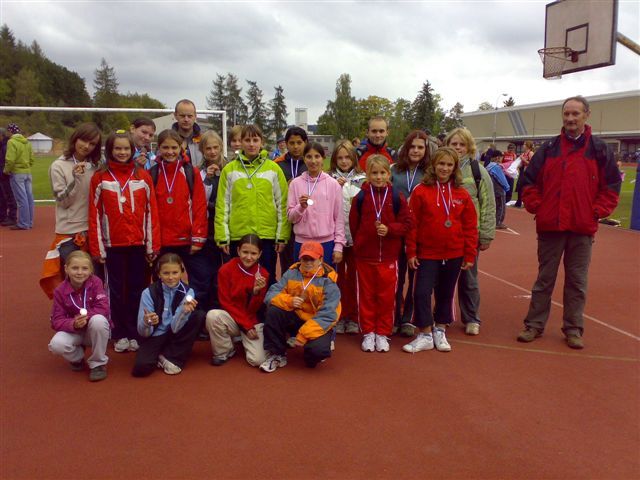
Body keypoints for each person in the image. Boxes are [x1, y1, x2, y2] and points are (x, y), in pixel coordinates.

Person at [517, 96, 620, 349]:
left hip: (582, 228)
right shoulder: (549, 148)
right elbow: (528, 182)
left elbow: (611, 186)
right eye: (567, 114)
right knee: (544, 279)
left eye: (576, 113)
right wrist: (539, 207)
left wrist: (596, 212)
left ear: (586, 115)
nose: (571, 118)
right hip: (551, 226)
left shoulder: (599, 149)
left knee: (577, 281)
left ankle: (573, 328)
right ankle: (534, 325)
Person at [88, 131, 160, 353]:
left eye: (126, 148)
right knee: (116, 291)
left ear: (133, 150)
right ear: (110, 150)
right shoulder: (100, 178)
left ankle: (135, 331)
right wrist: (98, 248)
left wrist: (152, 245)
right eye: (117, 148)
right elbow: (94, 215)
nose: (122, 152)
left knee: (138, 289)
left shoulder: (143, 176)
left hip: (138, 244)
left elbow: (151, 212)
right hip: (112, 246)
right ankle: (118, 332)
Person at [402, 148, 478, 353]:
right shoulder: (420, 191)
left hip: (454, 253)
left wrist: (470, 254)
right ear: (434, 165)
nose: (444, 168)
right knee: (421, 292)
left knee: (446, 293)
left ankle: (440, 329)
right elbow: (412, 224)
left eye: (449, 165)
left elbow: (470, 226)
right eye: (441, 164)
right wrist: (411, 252)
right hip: (427, 253)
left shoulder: (462, 193)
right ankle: (425, 333)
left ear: (454, 168)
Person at [350, 155, 413, 353]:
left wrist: (390, 229)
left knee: (386, 298)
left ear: (388, 174)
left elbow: (407, 224)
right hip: (365, 257)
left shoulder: (396, 197)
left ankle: (383, 332)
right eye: (374, 173)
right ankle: (368, 332)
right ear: (367, 175)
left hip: (388, 257)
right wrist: (361, 244)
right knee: (366, 296)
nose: (378, 177)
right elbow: (354, 225)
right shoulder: (360, 198)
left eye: (382, 173)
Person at [214, 124, 290, 284]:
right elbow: (222, 205)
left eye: (255, 140)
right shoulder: (229, 170)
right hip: (238, 235)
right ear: (241, 142)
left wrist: (282, 236)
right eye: (247, 140)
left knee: (267, 278)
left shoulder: (273, 169)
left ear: (262, 142)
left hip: (266, 236)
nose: (251, 144)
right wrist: (222, 236)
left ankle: (266, 302)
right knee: (238, 280)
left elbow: (282, 204)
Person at [40, 123, 103, 298]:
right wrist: (76, 179)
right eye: (84, 140)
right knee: (74, 280)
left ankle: (94, 311)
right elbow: (63, 201)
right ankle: (69, 311)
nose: (86, 146)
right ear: (75, 139)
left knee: (96, 279)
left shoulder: (96, 166)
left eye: (92, 144)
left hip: (94, 230)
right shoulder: (58, 166)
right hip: (70, 232)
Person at [260, 241, 341, 372]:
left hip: (317, 321)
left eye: (312, 259)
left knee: (317, 353)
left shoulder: (329, 282)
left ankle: (311, 351)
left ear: (320, 260)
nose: (308, 262)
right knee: (273, 311)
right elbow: (271, 295)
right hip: (296, 316)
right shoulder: (291, 273)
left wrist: (303, 335)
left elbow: (328, 315)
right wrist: (289, 301)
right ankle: (277, 354)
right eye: (304, 259)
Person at [446, 128, 496, 336]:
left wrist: (486, 234)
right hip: (444, 235)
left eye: (462, 144)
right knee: (443, 279)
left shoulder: (478, 171)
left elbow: (488, 203)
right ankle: (443, 316)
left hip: (468, 235)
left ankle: (472, 318)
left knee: (469, 279)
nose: (458, 148)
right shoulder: (441, 168)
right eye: (454, 144)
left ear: (469, 147)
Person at [149, 129, 208, 297]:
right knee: (161, 281)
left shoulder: (191, 172)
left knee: (198, 281)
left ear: (181, 147)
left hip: (187, 239)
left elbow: (199, 206)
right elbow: (149, 211)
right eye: (165, 147)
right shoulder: (152, 173)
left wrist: (198, 237)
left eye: (174, 147)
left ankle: (196, 311)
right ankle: (162, 312)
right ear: (158, 148)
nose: (170, 152)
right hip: (162, 240)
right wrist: (152, 242)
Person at [132, 253, 205, 376]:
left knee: (199, 316)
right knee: (141, 369)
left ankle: (171, 358)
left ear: (181, 272)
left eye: (175, 273)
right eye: (166, 273)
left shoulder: (188, 292)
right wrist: (147, 322)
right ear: (159, 274)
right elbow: (143, 333)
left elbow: (175, 328)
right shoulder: (148, 293)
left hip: (175, 332)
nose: (171, 277)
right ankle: (163, 354)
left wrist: (183, 311)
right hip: (155, 335)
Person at [205, 234, 269, 367]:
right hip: (233, 317)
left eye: (253, 253)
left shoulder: (263, 274)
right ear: (238, 250)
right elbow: (226, 303)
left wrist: (256, 292)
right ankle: (224, 351)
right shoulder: (225, 270)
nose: (249, 257)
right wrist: (246, 326)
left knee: (257, 360)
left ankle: (241, 338)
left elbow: (255, 309)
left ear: (260, 254)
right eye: (245, 252)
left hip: (252, 319)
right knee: (213, 316)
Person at [48, 251, 112, 382]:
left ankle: (98, 364)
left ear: (91, 270)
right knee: (56, 345)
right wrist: (73, 323)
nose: (79, 272)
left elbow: (103, 308)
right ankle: (78, 358)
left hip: (93, 331)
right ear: (66, 269)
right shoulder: (59, 291)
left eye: (84, 268)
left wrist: (87, 318)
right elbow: (56, 320)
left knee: (99, 320)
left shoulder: (96, 283)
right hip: (74, 331)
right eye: (75, 268)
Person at [391, 130, 430, 336]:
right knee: (397, 278)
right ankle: (394, 317)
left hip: (419, 234)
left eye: (420, 147)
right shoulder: (394, 170)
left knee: (415, 279)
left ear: (426, 150)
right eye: (412, 147)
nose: (416, 151)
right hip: (397, 232)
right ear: (406, 149)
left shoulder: (430, 173)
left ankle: (408, 319)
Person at [328, 140, 365, 334]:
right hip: (336, 238)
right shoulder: (328, 178)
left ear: (354, 159)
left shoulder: (363, 179)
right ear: (334, 159)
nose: (344, 161)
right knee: (337, 279)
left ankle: (354, 316)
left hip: (357, 239)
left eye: (348, 157)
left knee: (355, 280)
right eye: (340, 158)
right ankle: (339, 316)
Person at [287, 142, 345, 266]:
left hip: (326, 243)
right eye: (309, 157)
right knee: (302, 278)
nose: (313, 161)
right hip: (302, 243)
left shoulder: (333, 184)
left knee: (325, 277)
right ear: (304, 159)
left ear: (323, 158)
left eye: (317, 156)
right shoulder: (295, 184)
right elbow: (291, 218)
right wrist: (300, 207)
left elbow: (339, 218)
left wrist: (338, 246)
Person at [189, 130, 228, 311]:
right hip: (207, 228)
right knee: (207, 274)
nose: (212, 152)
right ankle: (203, 313)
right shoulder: (197, 172)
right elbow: (197, 201)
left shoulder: (230, 168)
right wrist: (207, 180)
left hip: (227, 227)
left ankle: (224, 310)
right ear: (202, 150)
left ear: (221, 147)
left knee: (227, 272)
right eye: (208, 148)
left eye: (215, 147)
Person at [275, 126, 309, 271]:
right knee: (287, 265)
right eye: (292, 143)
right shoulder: (277, 164)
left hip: (306, 219)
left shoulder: (310, 162)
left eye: (299, 143)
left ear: (306, 143)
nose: (295, 147)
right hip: (285, 219)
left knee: (307, 262)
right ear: (286, 144)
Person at [3, 123, 34, 230]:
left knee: (21, 199)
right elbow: (31, 159)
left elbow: (10, 159)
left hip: (17, 173)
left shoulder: (11, 142)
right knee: (29, 198)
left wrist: (6, 171)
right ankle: (29, 222)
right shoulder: (27, 142)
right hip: (27, 172)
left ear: (10, 131)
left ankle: (23, 223)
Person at [172, 99, 204, 168]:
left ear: (195, 116)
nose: (186, 119)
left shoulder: (204, 139)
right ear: (175, 115)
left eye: (190, 116)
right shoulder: (167, 139)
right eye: (182, 116)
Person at [484, 150, 511, 229]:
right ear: (497, 158)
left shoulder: (488, 166)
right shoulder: (496, 167)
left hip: (491, 189)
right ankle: (498, 222)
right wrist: (507, 187)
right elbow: (501, 179)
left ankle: (492, 221)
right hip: (499, 190)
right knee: (501, 206)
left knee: (494, 206)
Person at [0, 127, 17, 227]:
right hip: (2, 174)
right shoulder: (3, 145)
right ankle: (3, 216)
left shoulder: (6, 146)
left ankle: (12, 217)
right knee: (2, 196)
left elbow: (8, 161)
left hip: (5, 174)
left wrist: (5, 172)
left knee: (9, 196)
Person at [514, 141, 534, 208]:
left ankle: (526, 202)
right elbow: (521, 164)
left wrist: (523, 159)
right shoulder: (523, 154)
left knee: (526, 187)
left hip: (527, 172)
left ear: (528, 146)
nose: (523, 146)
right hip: (522, 171)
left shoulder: (530, 153)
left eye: (524, 144)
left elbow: (531, 163)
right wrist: (516, 166)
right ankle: (518, 202)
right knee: (519, 186)